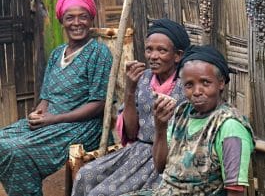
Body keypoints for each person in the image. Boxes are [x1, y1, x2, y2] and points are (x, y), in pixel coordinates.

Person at [0, 0, 113, 196]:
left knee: (17, 151)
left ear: (91, 19)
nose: (77, 23)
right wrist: (39, 114)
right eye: (70, 17)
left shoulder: (99, 53)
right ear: (61, 20)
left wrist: (52, 119)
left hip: (81, 126)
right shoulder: (56, 53)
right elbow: (46, 96)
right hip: (51, 122)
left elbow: (98, 104)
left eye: (83, 17)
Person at [71, 18, 190, 196]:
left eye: (162, 50)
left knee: (101, 193)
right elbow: (132, 132)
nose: (153, 56)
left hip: (165, 159)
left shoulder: (186, 85)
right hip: (136, 152)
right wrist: (130, 89)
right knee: (85, 175)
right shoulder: (143, 78)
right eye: (149, 49)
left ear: (177, 55)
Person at [127, 45, 255, 196]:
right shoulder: (182, 113)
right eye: (189, 85)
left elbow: (235, 190)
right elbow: (160, 166)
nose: (197, 92)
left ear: (220, 83)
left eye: (205, 83)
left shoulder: (229, 126)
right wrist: (160, 127)